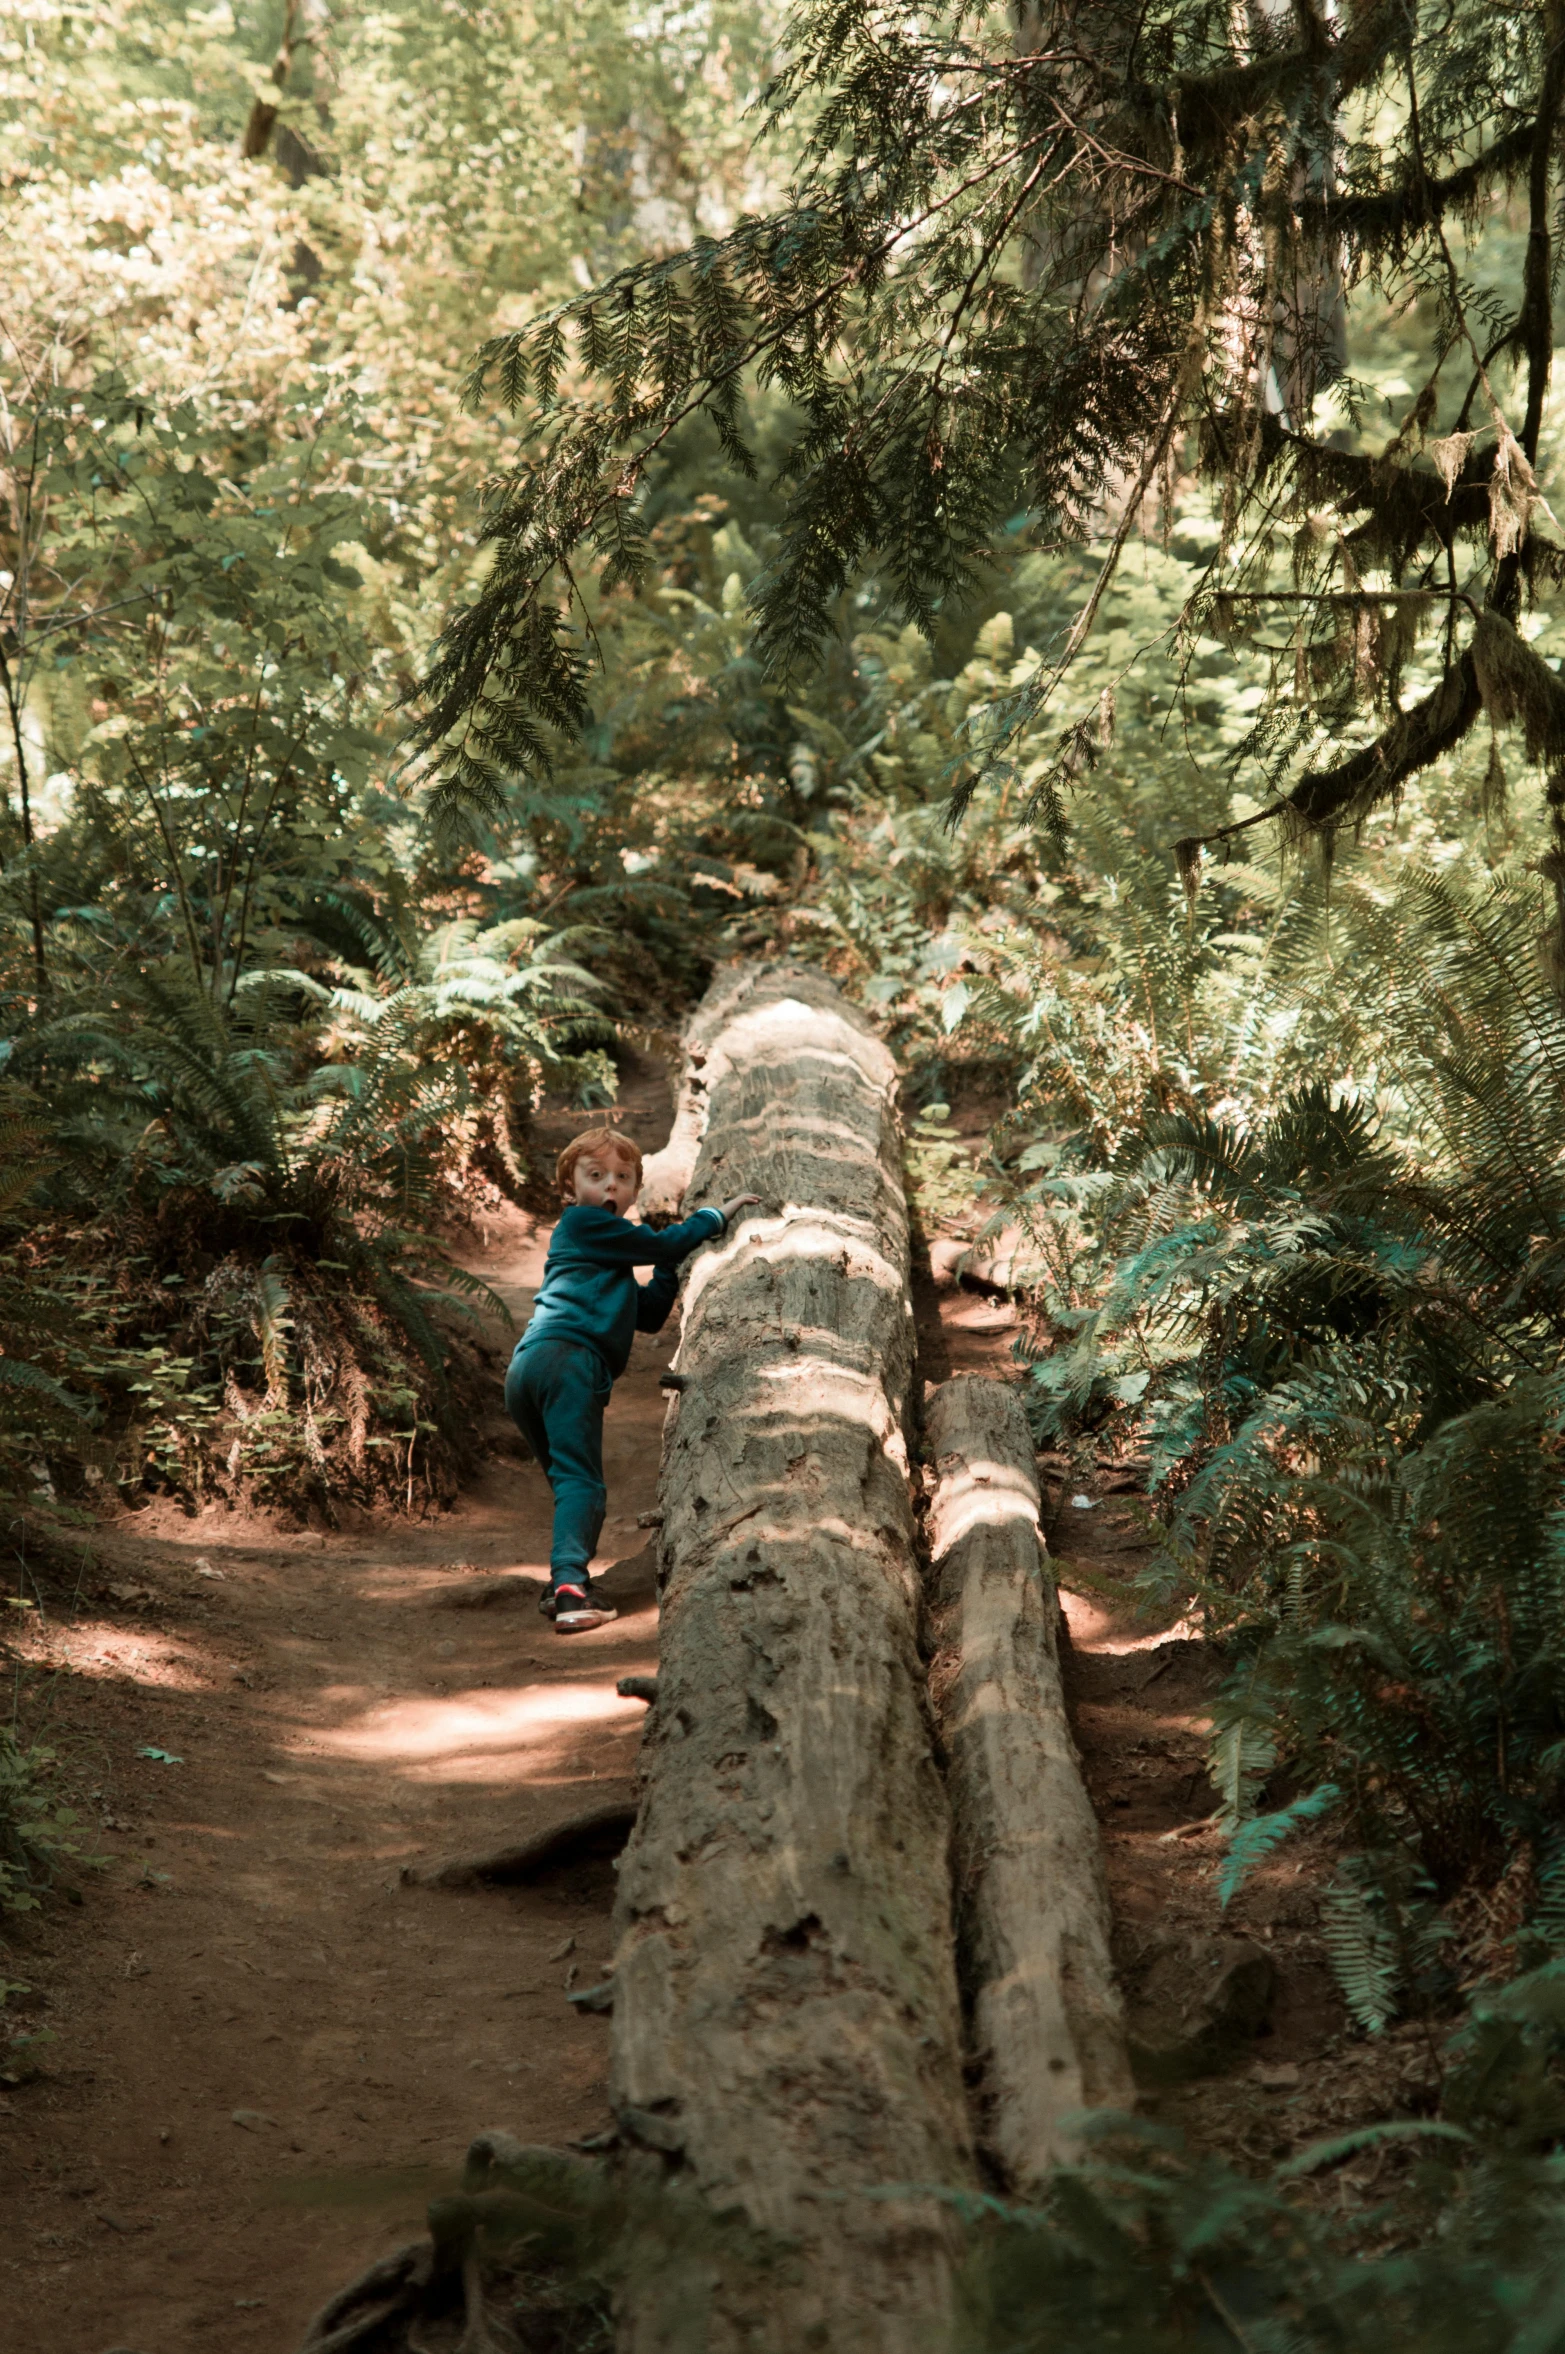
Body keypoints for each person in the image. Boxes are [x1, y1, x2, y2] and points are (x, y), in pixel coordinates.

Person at [505, 1126, 759, 1632]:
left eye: (622, 1178)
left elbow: (644, 1313)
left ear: (635, 1190)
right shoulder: (581, 1223)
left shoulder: (604, 1254)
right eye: (595, 1176)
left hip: (531, 1370)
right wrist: (714, 1216)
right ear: (569, 1187)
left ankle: (563, 1582)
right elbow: (660, 1242)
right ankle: (573, 1592)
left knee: (569, 1482)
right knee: (582, 1484)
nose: (609, 1188)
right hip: (568, 1362)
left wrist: (671, 1266)